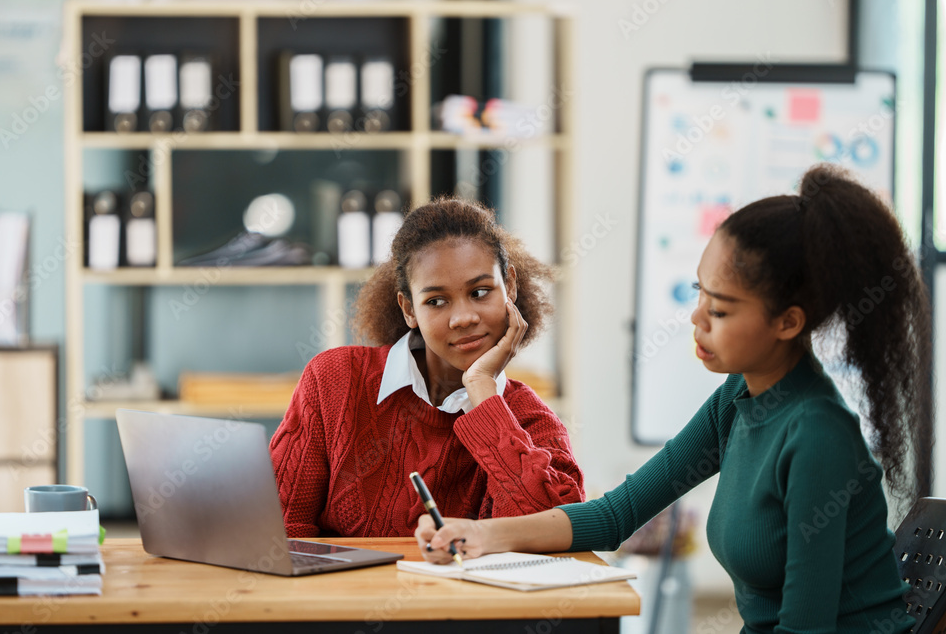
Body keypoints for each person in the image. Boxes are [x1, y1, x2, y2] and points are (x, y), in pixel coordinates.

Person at [417, 164, 931, 633]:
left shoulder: (817, 434)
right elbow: (617, 515)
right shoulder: (739, 398)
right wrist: (483, 535)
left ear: (788, 322)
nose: (696, 319)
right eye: (699, 293)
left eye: (722, 310)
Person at [270, 197, 584, 537]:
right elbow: (279, 531)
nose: (464, 318)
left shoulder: (531, 421)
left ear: (509, 287)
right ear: (408, 309)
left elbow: (550, 540)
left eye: (480, 292)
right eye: (436, 301)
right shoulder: (334, 379)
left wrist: (482, 391)